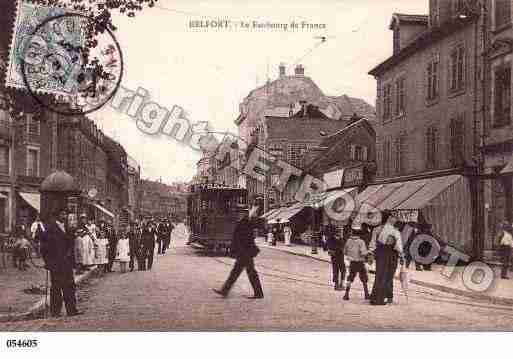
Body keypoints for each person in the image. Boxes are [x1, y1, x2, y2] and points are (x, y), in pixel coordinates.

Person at [213, 204, 264, 299]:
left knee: (246, 272)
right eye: (238, 212)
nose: (238, 214)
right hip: (244, 252)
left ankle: (258, 293)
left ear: (244, 214)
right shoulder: (243, 222)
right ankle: (225, 290)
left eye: (240, 212)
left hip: (245, 252)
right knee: (241, 272)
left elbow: (251, 233)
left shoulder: (246, 222)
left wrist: (253, 216)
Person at [40, 208, 82, 317]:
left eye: (65, 214)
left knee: (70, 286)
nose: (64, 216)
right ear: (57, 215)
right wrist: (48, 262)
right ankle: (55, 311)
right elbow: (44, 248)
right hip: (56, 264)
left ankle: (71, 310)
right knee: (56, 288)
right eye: (62, 214)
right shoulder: (50, 229)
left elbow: (70, 245)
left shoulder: (68, 228)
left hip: (67, 263)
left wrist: (74, 261)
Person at [369, 212, 404, 305]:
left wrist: (371, 253)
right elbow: (399, 247)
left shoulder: (376, 229)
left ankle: (383, 296)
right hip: (391, 254)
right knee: (388, 276)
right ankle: (382, 298)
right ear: (389, 218)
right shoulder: (395, 231)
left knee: (380, 275)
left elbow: (372, 244)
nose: (395, 219)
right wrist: (401, 256)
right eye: (393, 217)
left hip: (381, 253)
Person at [343, 223, 370, 300]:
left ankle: (346, 294)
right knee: (364, 278)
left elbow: (345, 251)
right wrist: (368, 253)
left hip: (352, 262)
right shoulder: (361, 242)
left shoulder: (348, 241)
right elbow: (363, 253)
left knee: (350, 278)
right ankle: (366, 294)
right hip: (360, 262)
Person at [325, 219, 346, 291]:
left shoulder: (335, 238)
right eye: (339, 230)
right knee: (340, 270)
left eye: (340, 230)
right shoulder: (335, 238)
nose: (340, 231)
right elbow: (326, 246)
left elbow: (325, 246)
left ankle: (338, 284)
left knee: (338, 269)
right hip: (337, 255)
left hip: (337, 256)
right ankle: (338, 284)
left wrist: (329, 249)